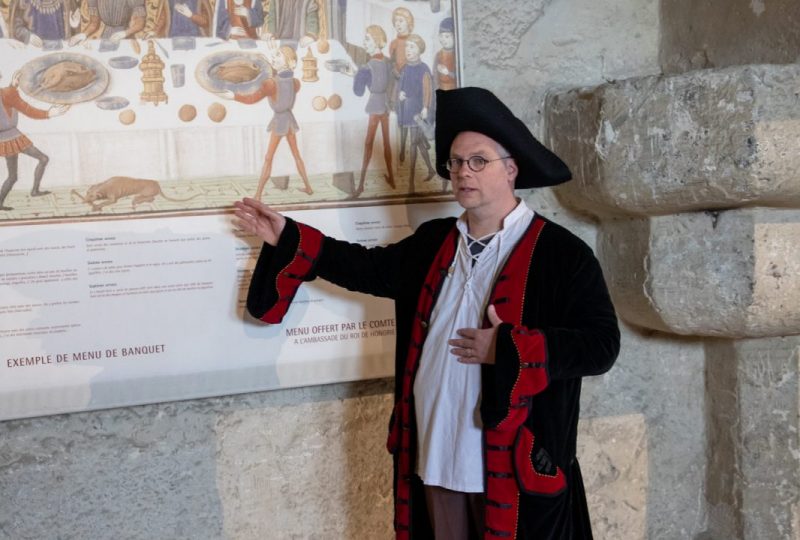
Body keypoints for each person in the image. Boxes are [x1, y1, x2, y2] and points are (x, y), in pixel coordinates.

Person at [234, 86, 620, 539]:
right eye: (455, 162)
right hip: (436, 456)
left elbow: (601, 347)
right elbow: (366, 268)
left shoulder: (562, 255)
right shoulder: (434, 242)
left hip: (514, 471)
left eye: (479, 160)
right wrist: (288, 236)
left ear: (511, 168)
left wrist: (511, 347)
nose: (462, 172)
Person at [220, 41, 313, 199]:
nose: (274, 58)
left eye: (278, 56)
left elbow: (251, 99)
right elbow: (281, 81)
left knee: (269, 158)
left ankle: (258, 195)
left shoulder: (270, 83)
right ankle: (308, 187)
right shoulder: (295, 82)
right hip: (290, 119)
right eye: (274, 56)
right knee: (296, 155)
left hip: (280, 122)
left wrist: (234, 96)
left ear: (289, 62)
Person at [0, 70, 69, 211]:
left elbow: (6, 101)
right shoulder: (7, 94)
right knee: (37, 162)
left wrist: (12, 86)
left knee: (21, 172)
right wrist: (49, 113)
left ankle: (34, 191)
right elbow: (26, 109)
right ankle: (31, 192)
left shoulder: (7, 93)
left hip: (9, 138)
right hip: (10, 139)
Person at [343, 24, 394, 197]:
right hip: (385, 106)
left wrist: (354, 74)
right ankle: (392, 179)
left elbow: (358, 91)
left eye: (367, 39)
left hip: (374, 106)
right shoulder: (387, 62)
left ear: (376, 42)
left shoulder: (366, 66)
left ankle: (361, 185)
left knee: (368, 145)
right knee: (387, 143)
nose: (365, 43)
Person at [397, 33, 435, 193]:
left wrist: (426, 107)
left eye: (411, 47)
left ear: (419, 50)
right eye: (406, 46)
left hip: (418, 112)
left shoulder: (424, 68)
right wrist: (401, 94)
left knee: (413, 143)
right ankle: (431, 170)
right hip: (407, 109)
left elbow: (428, 90)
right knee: (418, 142)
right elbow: (402, 86)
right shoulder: (405, 68)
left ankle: (411, 182)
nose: (408, 50)